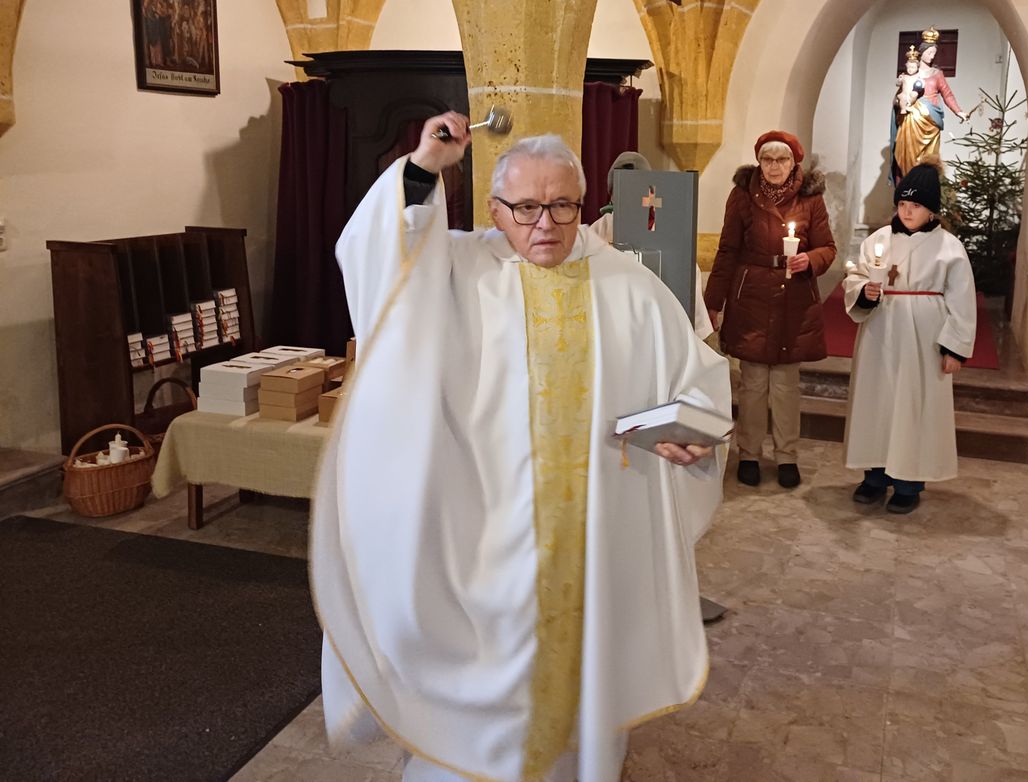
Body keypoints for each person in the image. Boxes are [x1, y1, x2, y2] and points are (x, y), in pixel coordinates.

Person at [312, 113, 731, 782]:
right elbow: (381, 259)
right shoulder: (456, 269)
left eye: (562, 206)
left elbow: (696, 382)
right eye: (527, 207)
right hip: (483, 525)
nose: (545, 224)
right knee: (485, 673)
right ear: (494, 208)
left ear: (584, 205)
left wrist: (689, 433)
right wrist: (424, 169)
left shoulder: (631, 285)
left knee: (580, 669)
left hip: (593, 526)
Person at [842, 153, 976, 514]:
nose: (907, 211)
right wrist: (864, 293)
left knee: (914, 408)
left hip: (924, 340)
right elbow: (856, 278)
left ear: (932, 210)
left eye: (915, 205)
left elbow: (962, 301)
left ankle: (909, 483)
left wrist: (956, 349)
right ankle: (874, 476)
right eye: (902, 203)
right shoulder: (878, 240)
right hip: (880, 336)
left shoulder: (949, 248)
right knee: (878, 403)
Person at [704, 130, 836, 489]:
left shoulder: (811, 198)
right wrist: (713, 301)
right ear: (758, 162)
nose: (774, 167)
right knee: (752, 383)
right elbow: (727, 250)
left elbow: (828, 248)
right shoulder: (743, 195)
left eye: (781, 160)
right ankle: (749, 452)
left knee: (786, 384)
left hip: (793, 299)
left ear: (794, 163)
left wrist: (810, 259)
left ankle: (787, 456)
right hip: (752, 297)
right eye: (767, 159)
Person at [590, 150, 713, 340]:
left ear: (650, 190)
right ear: (612, 194)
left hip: (661, 332)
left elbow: (686, 280)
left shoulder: (668, 232)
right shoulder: (597, 231)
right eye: (623, 189)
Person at [891, 28, 968, 184]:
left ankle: (923, 184)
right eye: (929, 52)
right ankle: (907, 184)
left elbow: (947, 94)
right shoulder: (911, 72)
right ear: (922, 52)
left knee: (928, 160)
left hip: (930, 120)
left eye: (934, 53)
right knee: (906, 154)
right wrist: (899, 102)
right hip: (911, 119)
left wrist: (958, 111)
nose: (932, 55)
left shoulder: (937, 74)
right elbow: (901, 94)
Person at [895, 48, 924, 116]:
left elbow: (921, 83)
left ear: (917, 67)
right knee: (903, 97)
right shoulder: (904, 76)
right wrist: (899, 80)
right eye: (909, 67)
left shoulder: (918, 76)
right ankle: (903, 109)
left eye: (913, 67)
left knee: (914, 94)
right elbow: (898, 84)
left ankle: (909, 104)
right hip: (904, 93)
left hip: (912, 93)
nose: (910, 69)